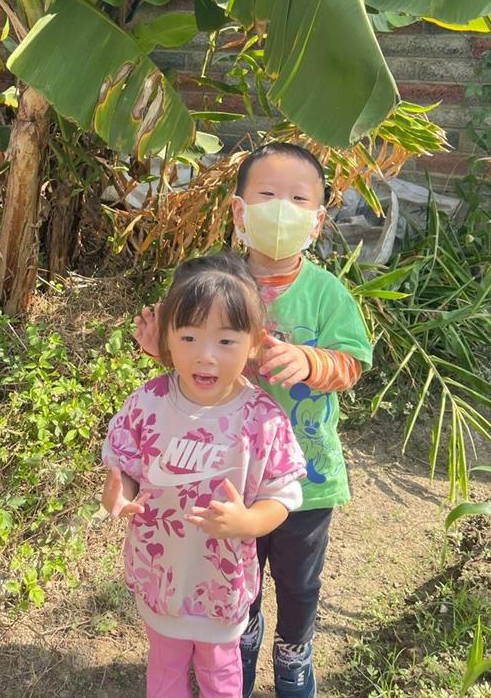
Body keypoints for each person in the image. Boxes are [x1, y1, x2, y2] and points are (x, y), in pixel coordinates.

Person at [135, 143, 373, 698]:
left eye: (298, 199)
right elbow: (196, 358)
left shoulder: (327, 294)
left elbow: (352, 364)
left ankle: (294, 652)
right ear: (240, 211)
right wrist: (162, 350)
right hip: (228, 477)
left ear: (318, 220)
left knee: (298, 581)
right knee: (236, 573)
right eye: (268, 195)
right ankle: (239, 643)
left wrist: (310, 362)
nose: (282, 209)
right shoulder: (215, 285)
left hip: (306, 480)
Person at [102, 251, 306, 698]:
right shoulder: (148, 403)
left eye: (226, 341)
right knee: (165, 669)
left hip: (221, 584)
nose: (206, 356)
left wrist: (249, 522)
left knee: (220, 674)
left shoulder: (261, 419)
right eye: (189, 337)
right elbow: (127, 468)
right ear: (166, 339)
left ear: (254, 344)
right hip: (160, 574)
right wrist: (119, 493)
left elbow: (282, 495)